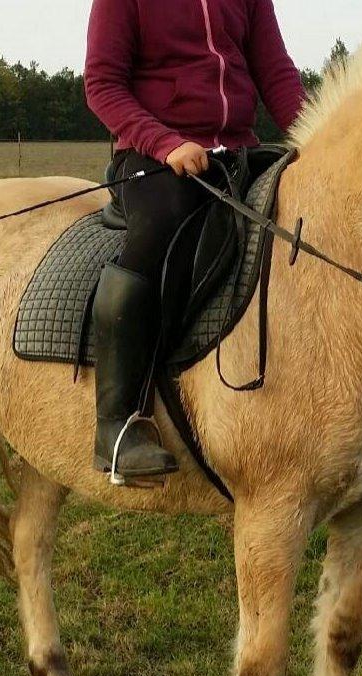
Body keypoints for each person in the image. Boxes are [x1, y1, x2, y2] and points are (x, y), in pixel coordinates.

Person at [84, 0, 305, 482]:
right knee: (165, 226)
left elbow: (275, 71)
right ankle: (118, 427)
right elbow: (102, 85)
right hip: (154, 156)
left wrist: (316, 136)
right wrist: (165, 143)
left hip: (239, 151)